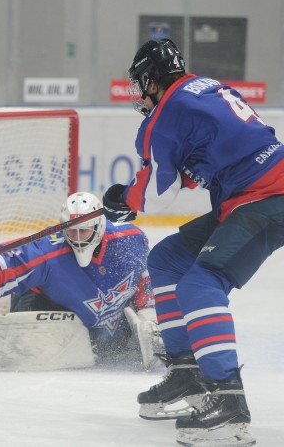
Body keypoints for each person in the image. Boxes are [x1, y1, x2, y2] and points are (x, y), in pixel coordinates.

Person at [102, 38, 284, 446]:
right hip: (253, 194)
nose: (139, 93)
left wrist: (122, 199)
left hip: (266, 199)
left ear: (151, 79)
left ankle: (228, 399)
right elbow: (226, 148)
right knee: (167, 259)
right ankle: (187, 373)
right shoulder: (205, 88)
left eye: (140, 84)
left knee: (200, 285)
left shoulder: (165, 115)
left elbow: (155, 194)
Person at [0, 191, 158, 366]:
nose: (77, 238)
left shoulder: (129, 240)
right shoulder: (48, 251)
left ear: (99, 226)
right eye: (71, 231)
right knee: (33, 360)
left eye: (83, 231)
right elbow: (9, 262)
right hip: (48, 308)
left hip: (105, 325)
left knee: (125, 351)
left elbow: (143, 276)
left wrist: (147, 310)